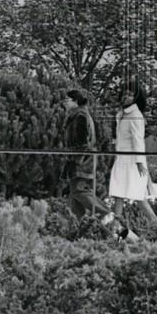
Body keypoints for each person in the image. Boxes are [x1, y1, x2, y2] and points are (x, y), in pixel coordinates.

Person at [62, 88, 126, 236]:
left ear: (75, 101)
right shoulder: (77, 115)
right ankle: (77, 230)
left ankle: (105, 213)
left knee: (80, 190)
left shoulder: (80, 116)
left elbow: (83, 142)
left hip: (81, 161)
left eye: (67, 100)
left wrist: (77, 160)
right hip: (79, 160)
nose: (65, 103)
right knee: (74, 198)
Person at [109, 79, 157, 234]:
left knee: (138, 196)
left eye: (130, 95)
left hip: (133, 162)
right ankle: (116, 228)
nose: (126, 97)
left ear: (136, 99)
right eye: (125, 93)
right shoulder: (123, 114)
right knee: (118, 193)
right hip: (122, 160)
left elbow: (138, 141)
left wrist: (140, 162)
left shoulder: (135, 115)